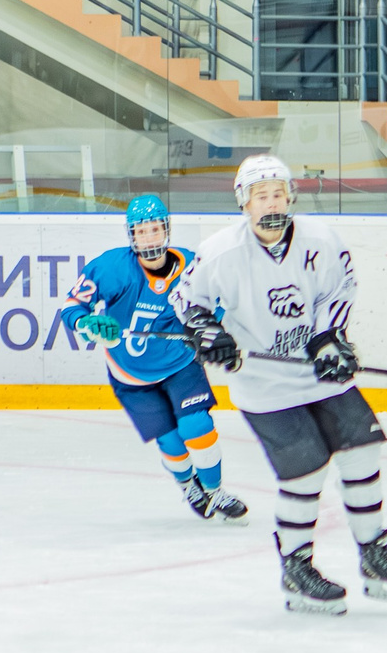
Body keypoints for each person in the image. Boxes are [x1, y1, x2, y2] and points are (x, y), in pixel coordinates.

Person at [176, 153, 387, 615]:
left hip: (318, 373)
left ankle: (375, 555)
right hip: (264, 384)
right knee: (307, 470)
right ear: (244, 204)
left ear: (290, 197)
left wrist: (329, 339)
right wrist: (206, 330)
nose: (271, 203)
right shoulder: (220, 253)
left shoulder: (321, 240)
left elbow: (339, 289)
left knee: (361, 447)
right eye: (260, 196)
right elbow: (187, 300)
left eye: (277, 193)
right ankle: (297, 567)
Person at [57, 194, 248, 523]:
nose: (148, 238)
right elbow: (72, 306)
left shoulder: (192, 264)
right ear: (131, 235)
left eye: (154, 230)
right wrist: (86, 323)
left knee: (197, 425)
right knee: (171, 440)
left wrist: (209, 330)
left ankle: (215, 491)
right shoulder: (111, 268)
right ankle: (188, 484)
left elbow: (217, 301)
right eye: (141, 232)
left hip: (179, 363)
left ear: (167, 230)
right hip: (130, 374)